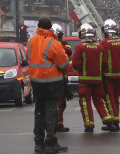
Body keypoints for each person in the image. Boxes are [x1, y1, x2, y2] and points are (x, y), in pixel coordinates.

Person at [27, 17, 71, 154]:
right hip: (52, 83)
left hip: (36, 83)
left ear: (39, 26)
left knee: (39, 112)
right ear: (50, 27)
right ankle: (51, 142)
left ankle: (38, 143)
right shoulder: (53, 42)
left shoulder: (31, 40)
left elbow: (29, 57)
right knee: (51, 112)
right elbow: (64, 63)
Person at [72, 23, 114, 132]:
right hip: (98, 80)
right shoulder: (100, 46)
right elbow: (105, 63)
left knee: (85, 104)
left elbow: (76, 64)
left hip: (85, 81)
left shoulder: (80, 47)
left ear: (82, 34)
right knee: (100, 101)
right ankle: (108, 120)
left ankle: (89, 125)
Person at [98, 19, 120, 128]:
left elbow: (103, 61)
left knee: (109, 99)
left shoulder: (103, 43)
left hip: (108, 75)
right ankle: (116, 118)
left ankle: (114, 122)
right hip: (118, 74)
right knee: (115, 99)